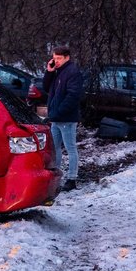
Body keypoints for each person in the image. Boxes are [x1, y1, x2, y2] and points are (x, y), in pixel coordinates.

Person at [42, 45, 84, 191]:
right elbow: (46, 88)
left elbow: (73, 96)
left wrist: (59, 111)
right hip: (56, 117)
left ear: (67, 57)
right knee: (55, 148)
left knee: (70, 148)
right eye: (54, 58)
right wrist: (49, 71)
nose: (56, 61)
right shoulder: (58, 71)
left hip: (66, 118)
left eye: (59, 58)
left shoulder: (72, 72)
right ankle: (56, 175)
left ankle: (72, 179)